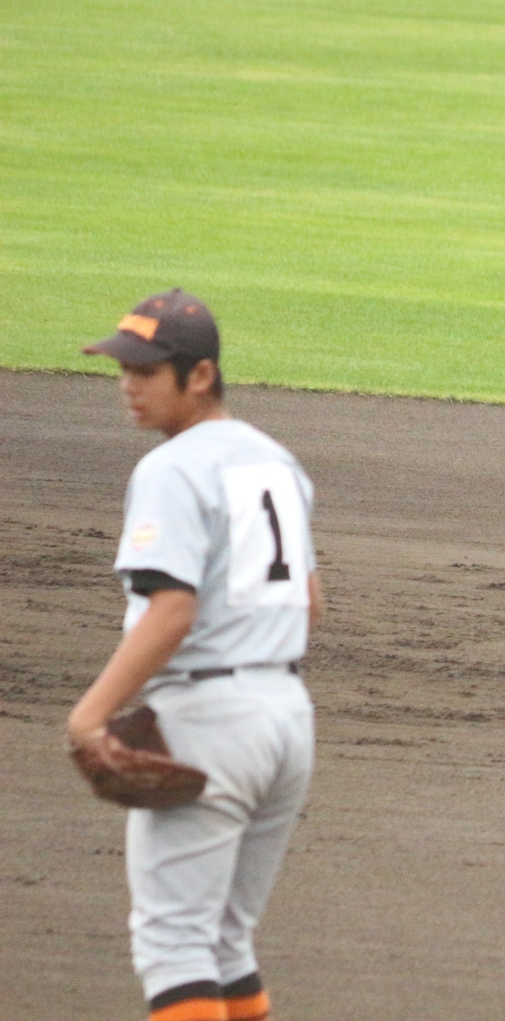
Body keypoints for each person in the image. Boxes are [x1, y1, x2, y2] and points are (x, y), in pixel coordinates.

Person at [69, 288, 318, 1021]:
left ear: (201, 375)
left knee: (175, 946)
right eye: (123, 369)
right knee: (226, 941)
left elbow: (172, 611)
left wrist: (90, 716)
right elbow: (310, 599)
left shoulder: (171, 468)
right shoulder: (276, 460)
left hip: (211, 720)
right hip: (286, 721)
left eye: (146, 372)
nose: (129, 385)